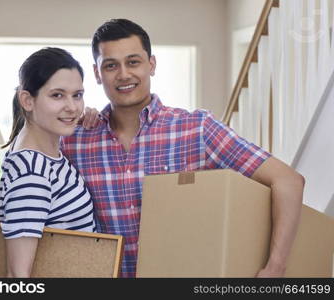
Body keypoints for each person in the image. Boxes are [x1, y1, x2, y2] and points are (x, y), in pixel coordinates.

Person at [61, 19, 305, 278]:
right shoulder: (76, 141)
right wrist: (70, 114)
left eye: (133, 62)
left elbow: (288, 181)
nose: (123, 74)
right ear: (97, 74)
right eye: (111, 66)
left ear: (151, 65)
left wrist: (275, 267)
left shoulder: (197, 130)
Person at [0, 47, 96, 277]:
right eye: (57, 95)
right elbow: (18, 277)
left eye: (77, 95)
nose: (72, 107)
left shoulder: (49, 157)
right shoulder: (31, 174)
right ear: (27, 100)